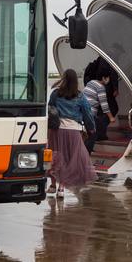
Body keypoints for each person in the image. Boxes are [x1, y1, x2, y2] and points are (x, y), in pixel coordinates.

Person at [47, 69, 97, 197]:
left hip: (55, 130)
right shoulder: (80, 96)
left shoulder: (55, 93)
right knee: (68, 159)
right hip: (72, 131)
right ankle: (61, 189)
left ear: (63, 78)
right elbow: (88, 114)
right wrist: (91, 127)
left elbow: (50, 108)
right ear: (76, 81)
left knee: (55, 156)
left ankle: (52, 185)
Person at [83, 64, 117, 155]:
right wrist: (111, 117)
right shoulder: (100, 87)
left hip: (83, 112)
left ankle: (88, 150)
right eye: (108, 77)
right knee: (92, 136)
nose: (108, 80)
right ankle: (85, 155)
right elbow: (104, 105)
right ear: (103, 77)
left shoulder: (91, 82)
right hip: (89, 114)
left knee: (98, 127)